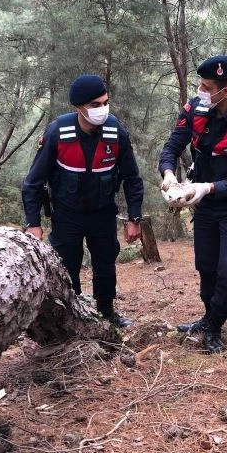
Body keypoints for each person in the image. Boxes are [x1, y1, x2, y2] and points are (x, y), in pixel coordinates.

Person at [158, 55, 227, 353]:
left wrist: (207, 187)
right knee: (206, 267)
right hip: (205, 205)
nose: (200, 91)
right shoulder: (196, 110)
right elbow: (172, 145)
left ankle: (216, 324)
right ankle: (208, 316)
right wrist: (169, 173)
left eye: (206, 87)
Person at [22, 74, 144, 328]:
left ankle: (107, 313)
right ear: (79, 108)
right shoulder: (57, 132)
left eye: (105, 102)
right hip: (67, 215)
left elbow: (132, 178)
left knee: (106, 265)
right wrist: (32, 223)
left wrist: (134, 218)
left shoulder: (116, 131)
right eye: (95, 105)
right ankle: (72, 315)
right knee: (66, 268)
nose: (102, 109)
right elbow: (33, 182)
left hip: (102, 213)